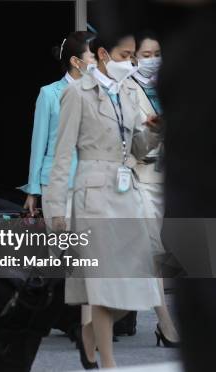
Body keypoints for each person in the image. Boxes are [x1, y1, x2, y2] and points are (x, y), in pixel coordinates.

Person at [44, 34, 162, 369]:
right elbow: (62, 155)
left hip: (127, 194)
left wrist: (155, 131)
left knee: (135, 281)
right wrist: (55, 209)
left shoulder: (127, 92)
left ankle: (89, 336)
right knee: (104, 284)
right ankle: (108, 363)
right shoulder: (76, 94)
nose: (132, 62)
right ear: (103, 54)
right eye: (125, 55)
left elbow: (137, 148)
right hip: (93, 196)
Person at [20, 30, 96, 342]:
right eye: (92, 55)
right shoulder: (49, 94)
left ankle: (86, 322)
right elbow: (38, 144)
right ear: (76, 61)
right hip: (56, 184)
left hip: (89, 184)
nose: (97, 60)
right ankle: (66, 320)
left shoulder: (98, 92)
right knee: (63, 256)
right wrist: (33, 191)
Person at [129, 31, 180, 347]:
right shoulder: (126, 89)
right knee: (155, 254)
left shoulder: (173, 86)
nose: (152, 60)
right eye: (145, 55)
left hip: (176, 181)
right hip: (144, 180)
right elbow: (132, 144)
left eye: (156, 53)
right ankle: (166, 324)